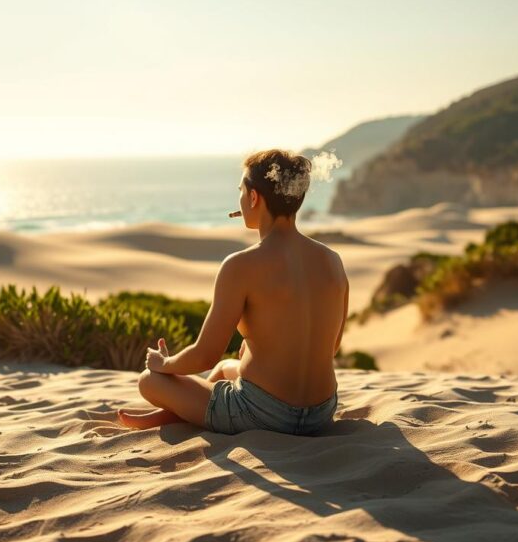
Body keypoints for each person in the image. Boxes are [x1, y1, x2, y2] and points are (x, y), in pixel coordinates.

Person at [117, 149, 349, 435]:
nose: (239, 198)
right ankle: (176, 414)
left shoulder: (241, 265)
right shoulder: (332, 260)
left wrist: (164, 363)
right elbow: (331, 346)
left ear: (253, 198)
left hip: (263, 414)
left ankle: (182, 414)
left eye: (241, 190)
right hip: (321, 413)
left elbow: (204, 356)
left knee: (148, 380)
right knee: (229, 367)